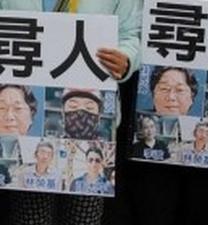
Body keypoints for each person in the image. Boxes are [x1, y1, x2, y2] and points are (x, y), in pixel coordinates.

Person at [0, 0, 142, 223]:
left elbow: (133, 34)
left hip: (94, 133)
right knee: (30, 217)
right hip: (27, 123)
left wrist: (127, 59)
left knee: (83, 218)